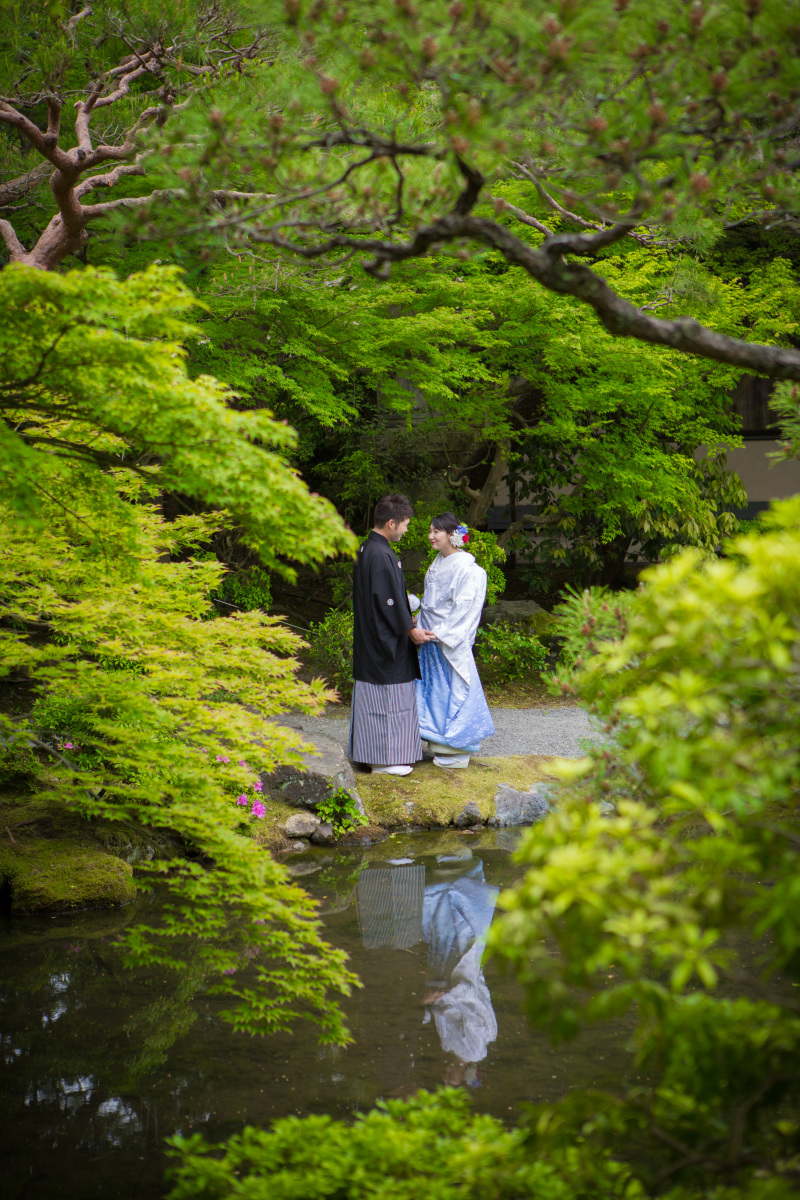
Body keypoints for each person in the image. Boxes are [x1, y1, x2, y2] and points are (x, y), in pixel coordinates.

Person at [349, 493, 436, 776]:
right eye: (405, 524)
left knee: (374, 700)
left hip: (371, 636)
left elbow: (384, 599)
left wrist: (404, 617)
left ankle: (370, 755)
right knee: (388, 700)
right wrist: (410, 628)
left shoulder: (365, 549)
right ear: (391, 523)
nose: (407, 529)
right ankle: (385, 759)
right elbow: (388, 600)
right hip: (384, 641)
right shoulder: (381, 553)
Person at [415, 513, 495, 768]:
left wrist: (442, 633)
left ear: (452, 535)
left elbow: (466, 608)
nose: (430, 536)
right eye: (430, 530)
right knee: (434, 694)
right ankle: (440, 744)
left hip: (447, 641)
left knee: (453, 692)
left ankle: (458, 750)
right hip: (429, 638)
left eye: (436, 531)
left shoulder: (468, 569)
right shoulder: (437, 562)